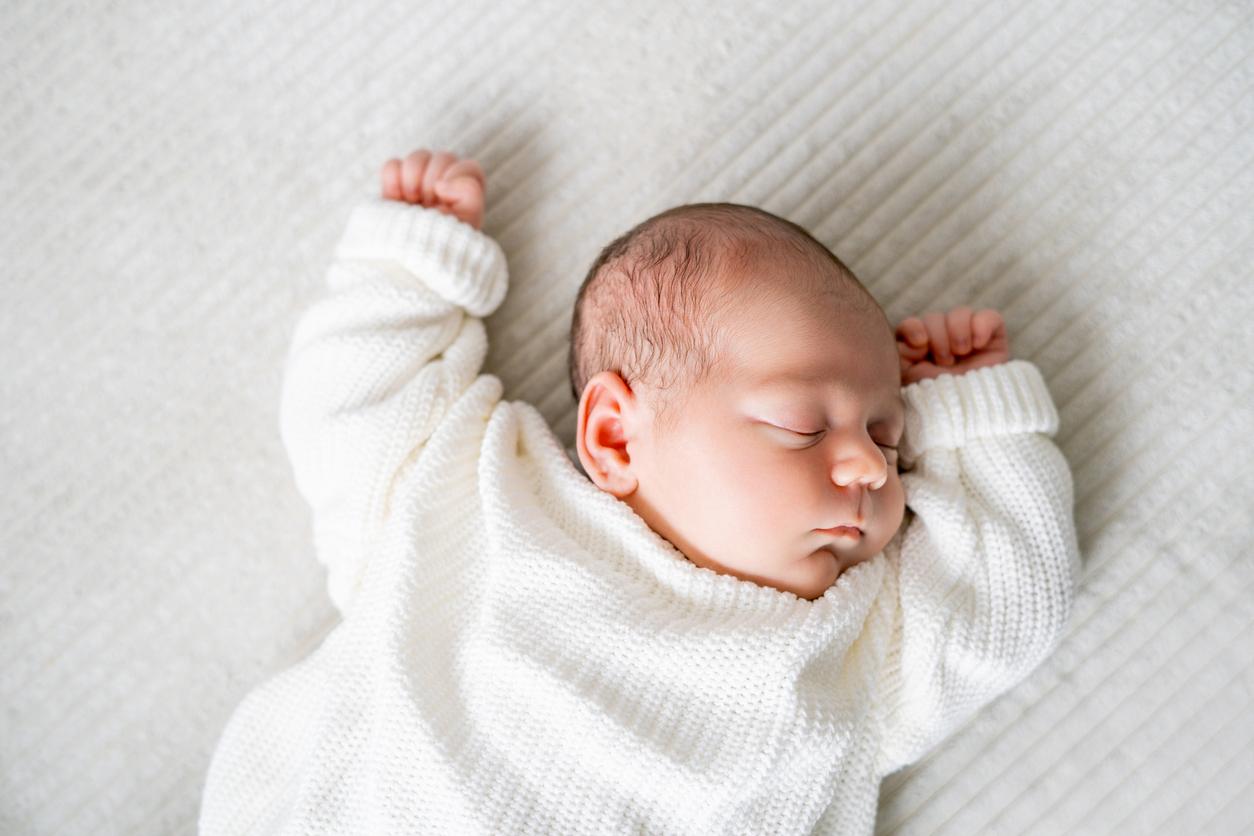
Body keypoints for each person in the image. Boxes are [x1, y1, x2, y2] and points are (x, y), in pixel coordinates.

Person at [200, 149, 1080, 835]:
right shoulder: (484, 498)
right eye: (804, 427)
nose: (870, 469)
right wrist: (413, 273)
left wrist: (972, 423)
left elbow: (1002, 610)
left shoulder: (846, 648)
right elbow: (356, 412)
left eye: (889, 437)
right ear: (617, 434)